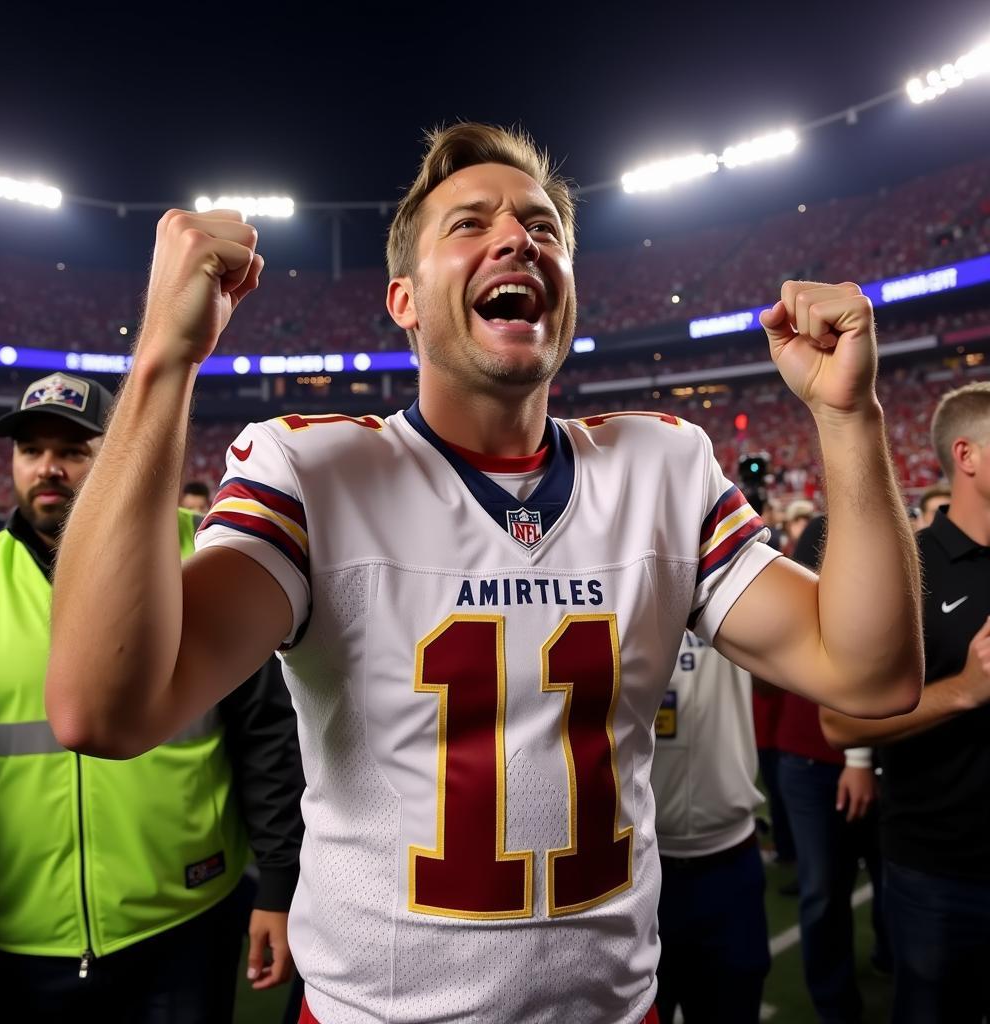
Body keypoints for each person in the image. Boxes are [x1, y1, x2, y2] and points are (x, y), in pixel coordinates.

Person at [45, 124, 923, 1024]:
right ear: (405, 301)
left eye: (542, 227)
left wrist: (849, 419)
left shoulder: (664, 465)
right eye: (470, 224)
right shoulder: (309, 471)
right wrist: (162, 362)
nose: (517, 237)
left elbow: (870, 671)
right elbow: (104, 708)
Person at [0, 372, 304, 1024]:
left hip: (185, 918)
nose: (48, 469)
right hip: (23, 929)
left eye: (72, 451)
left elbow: (265, 730)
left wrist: (280, 882)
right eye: (31, 450)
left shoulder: (203, 550)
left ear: (116, 457)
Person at [821, 381, 990, 1024]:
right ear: (966, 456)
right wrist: (966, 691)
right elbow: (838, 720)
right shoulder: (907, 569)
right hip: (940, 867)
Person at [775, 514, 890, 1024]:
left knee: (894, 880)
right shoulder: (820, 538)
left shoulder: (883, 566)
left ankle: (890, 963)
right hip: (810, 755)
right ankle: (834, 1004)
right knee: (823, 891)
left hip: (873, 753)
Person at [651, 632, 770, 1024]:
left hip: (728, 860)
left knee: (732, 1008)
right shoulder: (618, 587)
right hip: (641, 868)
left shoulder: (729, 577)